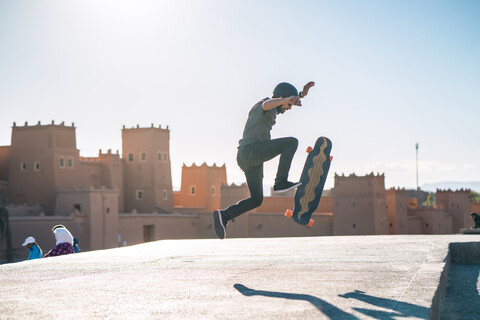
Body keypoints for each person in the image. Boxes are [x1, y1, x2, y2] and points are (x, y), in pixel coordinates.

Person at [213, 81, 315, 239]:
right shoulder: (263, 105)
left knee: (256, 199)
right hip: (251, 151)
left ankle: (224, 215)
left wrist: (300, 95)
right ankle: (281, 182)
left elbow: (280, 103)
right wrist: (285, 99)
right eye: (288, 104)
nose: (288, 108)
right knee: (291, 142)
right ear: (281, 98)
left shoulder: (275, 108)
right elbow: (267, 104)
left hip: (250, 159)